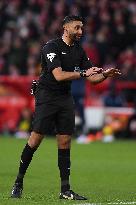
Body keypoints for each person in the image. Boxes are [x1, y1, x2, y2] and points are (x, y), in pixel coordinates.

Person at [11, 15, 121, 200]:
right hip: (47, 96)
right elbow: (59, 76)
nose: (80, 31)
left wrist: (104, 75)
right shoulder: (51, 47)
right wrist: (84, 72)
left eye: (82, 28)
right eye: (77, 28)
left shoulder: (78, 50)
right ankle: (18, 182)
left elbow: (92, 78)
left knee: (65, 141)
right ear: (66, 28)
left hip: (64, 98)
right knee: (35, 139)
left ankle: (65, 190)